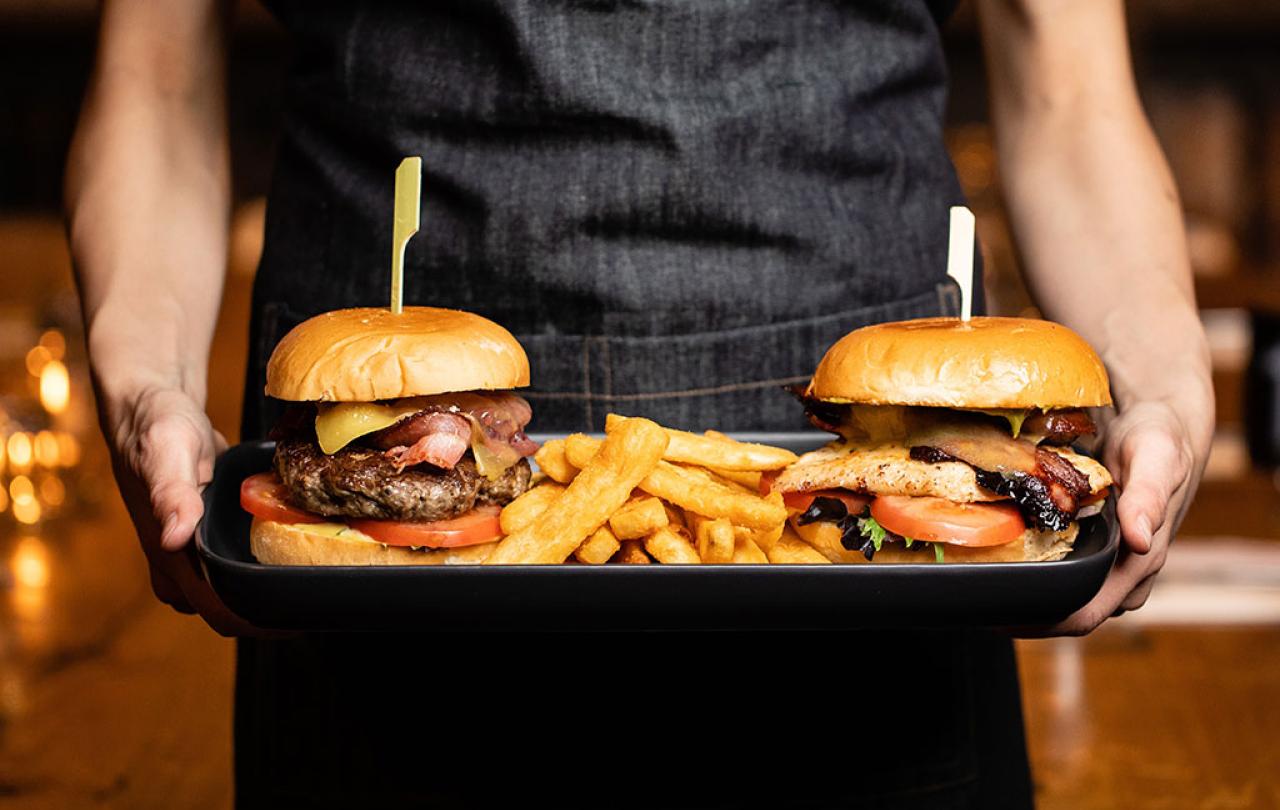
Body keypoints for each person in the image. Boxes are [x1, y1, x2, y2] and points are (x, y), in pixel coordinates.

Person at [66, 1, 1213, 807]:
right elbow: (154, 72)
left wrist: (1160, 385)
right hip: (370, 613)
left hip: (882, 611)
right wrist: (143, 384)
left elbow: (1067, 90)